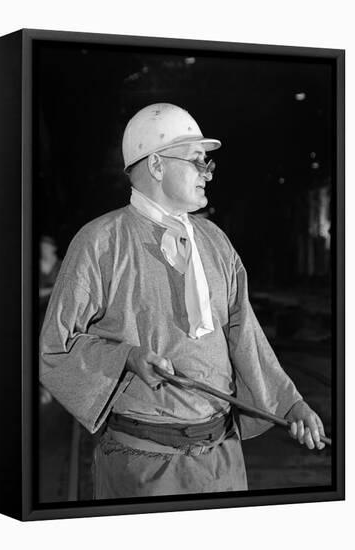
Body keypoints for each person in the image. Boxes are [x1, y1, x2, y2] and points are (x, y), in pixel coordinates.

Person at [40, 103, 326, 499]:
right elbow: (56, 349)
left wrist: (290, 403)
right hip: (142, 468)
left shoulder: (215, 242)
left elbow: (246, 337)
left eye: (208, 163)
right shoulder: (101, 243)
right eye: (196, 161)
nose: (208, 173)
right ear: (156, 166)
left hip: (222, 461)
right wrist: (125, 358)